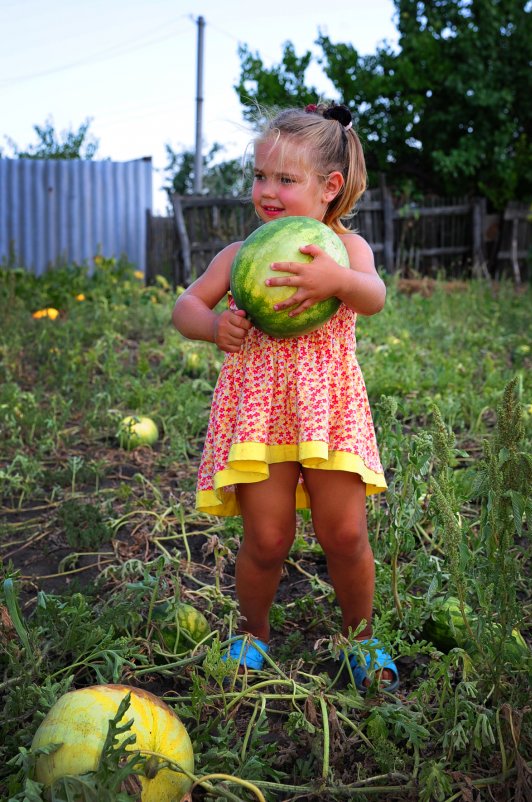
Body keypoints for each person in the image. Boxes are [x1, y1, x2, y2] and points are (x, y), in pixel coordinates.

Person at [172, 102, 398, 691]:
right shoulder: (243, 254)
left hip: (329, 412)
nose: (267, 191)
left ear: (330, 188)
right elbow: (186, 306)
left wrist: (339, 280)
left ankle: (360, 637)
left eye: (285, 179)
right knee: (267, 538)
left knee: (344, 533)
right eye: (259, 176)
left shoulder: (347, 252)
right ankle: (253, 633)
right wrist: (213, 327)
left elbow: (372, 295)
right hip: (260, 413)